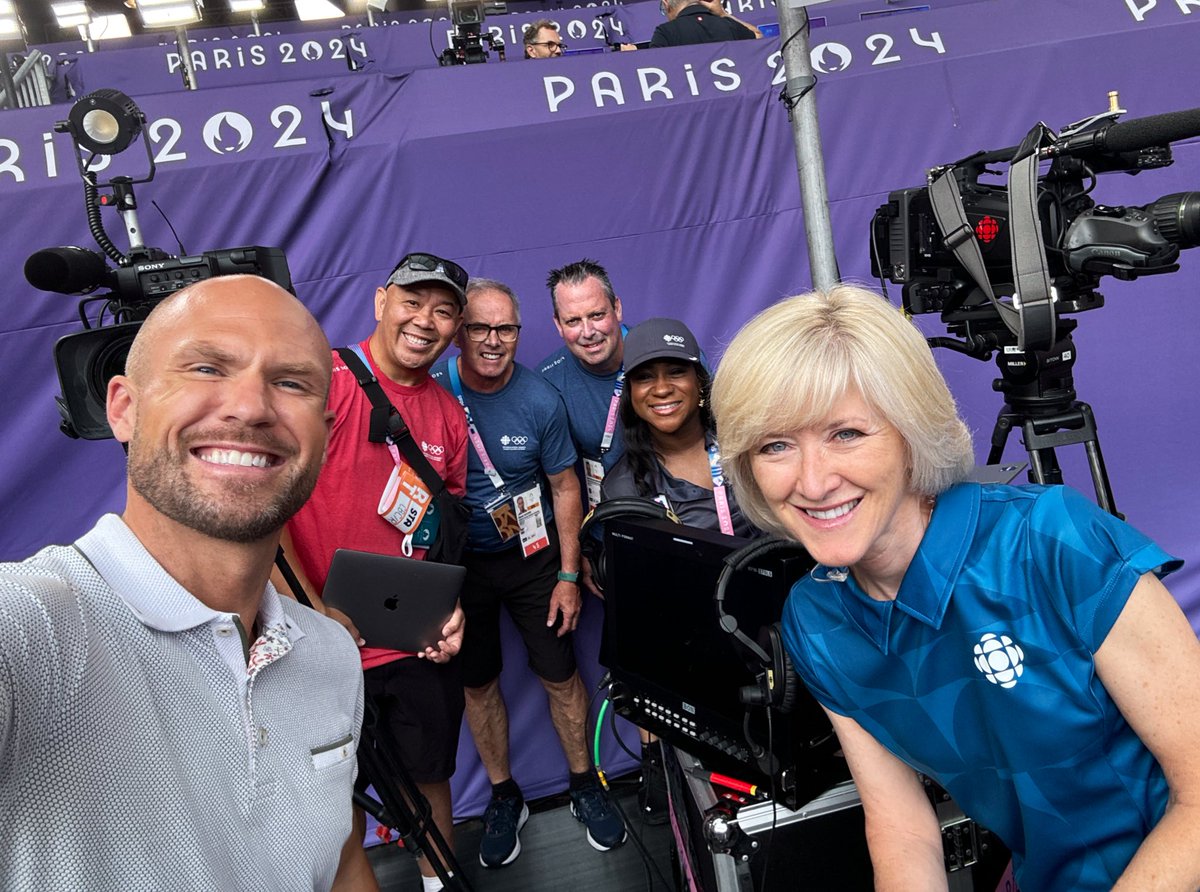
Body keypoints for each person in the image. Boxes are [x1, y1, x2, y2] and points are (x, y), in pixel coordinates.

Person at [711, 284, 1200, 891]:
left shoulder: (1049, 540)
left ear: (911, 436)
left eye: (846, 434)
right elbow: (902, 827)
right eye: (777, 445)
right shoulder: (817, 621)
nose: (813, 482)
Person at [0, 275, 368, 889]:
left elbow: (339, 863)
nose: (250, 407)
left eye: (290, 382)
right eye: (205, 368)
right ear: (122, 407)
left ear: (325, 436)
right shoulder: (34, 627)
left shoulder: (331, 655)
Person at [281, 253, 470, 892]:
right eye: (413, 302)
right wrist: (310, 609)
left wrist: (450, 609)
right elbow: (267, 505)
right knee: (335, 804)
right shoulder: (322, 380)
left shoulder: (447, 411)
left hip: (411, 640)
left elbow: (445, 523)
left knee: (428, 780)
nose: (426, 321)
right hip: (319, 642)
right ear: (381, 302)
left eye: (443, 311)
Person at [431, 278, 626, 868]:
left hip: (535, 562)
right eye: (480, 329)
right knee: (477, 684)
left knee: (561, 675)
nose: (494, 341)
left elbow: (567, 486)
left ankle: (584, 784)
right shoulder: (433, 392)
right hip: (460, 570)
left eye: (506, 329)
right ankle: (502, 795)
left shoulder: (541, 398)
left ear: (521, 330)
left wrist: (569, 575)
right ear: (458, 334)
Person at [597, 316, 758, 824]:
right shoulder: (624, 487)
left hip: (782, 636)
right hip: (700, 663)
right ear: (631, 393)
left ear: (700, 384)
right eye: (646, 376)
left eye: (676, 372)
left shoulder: (747, 446)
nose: (662, 388)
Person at [648, 0, 760, 49]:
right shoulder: (728, 25)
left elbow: (654, 65)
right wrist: (723, 14)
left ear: (666, 4)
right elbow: (759, 37)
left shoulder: (665, 32)